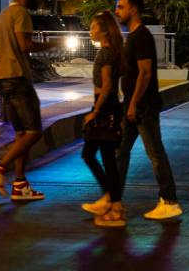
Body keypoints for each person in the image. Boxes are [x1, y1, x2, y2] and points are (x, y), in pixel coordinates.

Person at [0, 0, 58, 201]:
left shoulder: (3, 15)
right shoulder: (21, 14)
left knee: (21, 134)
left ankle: (20, 185)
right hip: (18, 78)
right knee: (34, 131)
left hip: (3, 78)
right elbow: (25, 45)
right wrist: (51, 44)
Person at [115, 0, 183, 220]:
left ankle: (170, 201)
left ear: (133, 9)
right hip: (133, 107)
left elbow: (145, 73)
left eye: (121, 7)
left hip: (143, 107)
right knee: (120, 152)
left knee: (155, 153)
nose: (117, 11)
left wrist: (133, 103)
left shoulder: (141, 36)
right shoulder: (133, 36)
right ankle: (112, 199)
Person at [81, 11, 126, 227]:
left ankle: (113, 203)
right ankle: (111, 201)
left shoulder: (106, 54)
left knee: (94, 156)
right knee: (100, 157)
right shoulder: (111, 52)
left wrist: (95, 112)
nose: (91, 31)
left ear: (105, 30)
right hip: (107, 107)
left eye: (93, 27)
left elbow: (107, 87)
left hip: (105, 108)